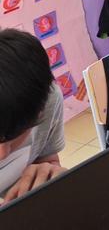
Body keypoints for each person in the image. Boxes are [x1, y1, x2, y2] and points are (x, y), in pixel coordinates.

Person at [0, 29, 65, 203]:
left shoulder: (46, 99)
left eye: (15, 135)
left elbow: (46, 157)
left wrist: (50, 174)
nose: (2, 154)